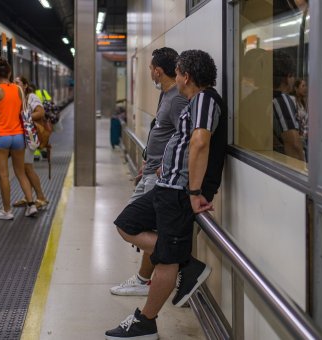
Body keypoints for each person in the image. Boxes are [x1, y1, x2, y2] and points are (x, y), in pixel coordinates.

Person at [106, 50, 227, 340]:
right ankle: (185, 262)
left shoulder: (206, 100)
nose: (177, 76)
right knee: (126, 223)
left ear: (187, 75)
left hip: (180, 193)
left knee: (165, 261)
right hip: (167, 185)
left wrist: (195, 192)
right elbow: (184, 142)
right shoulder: (194, 101)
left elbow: (199, 142)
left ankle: (145, 322)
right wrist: (165, 165)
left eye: (179, 71)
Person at [109, 47, 189, 297]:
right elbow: (164, 135)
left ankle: (184, 263)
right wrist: (148, 162)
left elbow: (183, 136)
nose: (150, 74)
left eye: (151, 69)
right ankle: (143, 279)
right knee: (146, 228)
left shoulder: (176, 98)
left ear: (158, 70)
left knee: (129, 224)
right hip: (152, 170)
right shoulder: (166, 94)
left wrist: (163, 166)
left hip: (162, 176)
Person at [0, 58, 37, 220]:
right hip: (18, 136)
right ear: (9, 73)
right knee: (20, 172)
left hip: (2, 136)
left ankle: (7, 211)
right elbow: (23, 112)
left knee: (4, 175)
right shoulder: (19, 90)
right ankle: (31, 205)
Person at [12, 76, 49, 211]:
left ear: (25, 85)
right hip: (21, 137)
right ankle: (28, 197)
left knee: (27, 168)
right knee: (24, 169)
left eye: (17, 83)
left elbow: (40, 112)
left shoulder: (31, 97)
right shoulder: (18, 98)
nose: (15, 85)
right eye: (13, 83)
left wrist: (24, 118)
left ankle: (41, 197)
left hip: (30, 137)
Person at [271, 51, 304, 160]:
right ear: (287, 77)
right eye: (292, 76)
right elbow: (293, 144)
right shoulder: (281, 100)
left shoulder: (264, 97)